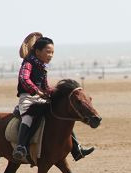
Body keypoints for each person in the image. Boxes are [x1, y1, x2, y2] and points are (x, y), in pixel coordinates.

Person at [13, 33, 95, 162]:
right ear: (38, 51)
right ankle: (20, 147)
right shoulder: (28, 64)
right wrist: (36, 91)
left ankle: (76, 149)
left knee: (62, 116)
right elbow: (24, 79)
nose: (50, 55)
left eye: (52, 52)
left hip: (41, 98)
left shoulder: (42, 67)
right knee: (28, 118)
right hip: (28, 97)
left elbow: (45, 86)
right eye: (48, 52)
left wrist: (57, 92)